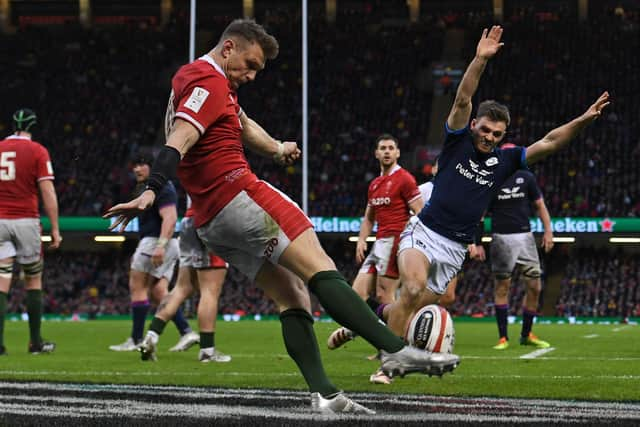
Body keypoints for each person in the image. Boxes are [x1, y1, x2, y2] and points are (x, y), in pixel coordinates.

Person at [105, 18, 459, 414]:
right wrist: (152, 188)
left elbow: (240, 123)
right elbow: (180, 138)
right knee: (321, 269)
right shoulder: (209, 80)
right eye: (250, 64)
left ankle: (323, 395)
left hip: (210, 221)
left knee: (293, 296)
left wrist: (275, 148)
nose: (252, 75)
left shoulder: (202, 83)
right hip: (237, 193)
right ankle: (396, 350)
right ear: (228, 49)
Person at [379, 26, 609, 345]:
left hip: (455, 248)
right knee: (413, 289)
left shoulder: (507, 160)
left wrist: (581, 121)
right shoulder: (457, 141)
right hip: (424, 232)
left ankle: (364, 322)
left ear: (503, 136)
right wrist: (479, 60)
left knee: (411, 305)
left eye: (496, 134)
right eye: (485, 129)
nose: (489, 137)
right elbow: (463, 99)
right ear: (474, 125)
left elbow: (551, 142)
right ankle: (389, 363)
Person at [326, 133, 423, 385]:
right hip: (378, 244)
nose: (388, 152)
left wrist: (411, 242)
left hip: (395, 243)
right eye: (383, 148)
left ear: (398, 153)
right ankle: (360, 330)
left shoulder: (405, 179)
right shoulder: (375, 184)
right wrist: (361, 239)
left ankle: (390, 350)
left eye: (391, 148)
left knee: (385, 298)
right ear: (376, 154)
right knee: (355, 296)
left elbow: (421, 212)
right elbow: (369, 217)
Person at [109, 156, 198, 352]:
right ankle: (186, 332)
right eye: (135, 165)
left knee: (137, 287)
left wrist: (160, 245)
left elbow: (170, 217)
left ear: (153, 167)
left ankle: (135, 339)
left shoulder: (162, 187)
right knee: (160, 293)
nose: (137, 169)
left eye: (142, 165)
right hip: (170, 243)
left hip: (155, 241)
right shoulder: (152, 188)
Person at [139, 196, 231, 363]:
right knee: (210, 290)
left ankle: (151, 336)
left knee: (182, 288)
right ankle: (207, 351)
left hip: (189, 222)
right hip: (210, 219)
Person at [0, 108, 61, 355]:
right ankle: (35, 343)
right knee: (33, 280)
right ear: (32, 127)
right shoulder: (37, 151)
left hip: (0, 220)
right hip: (26, 220)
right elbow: (47, 191)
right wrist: (55, 228)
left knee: (2, 281)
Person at [488, 146, 554, 350]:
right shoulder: (491, 179)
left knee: (535, 287)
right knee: (502, 287)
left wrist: (548, 231)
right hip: (500, 238)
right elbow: (480, 212)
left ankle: (526, 334)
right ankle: (503, 338)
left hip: (525, 237)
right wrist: (474, 240)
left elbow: (540, 205)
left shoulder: (527, 177)